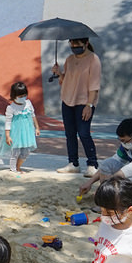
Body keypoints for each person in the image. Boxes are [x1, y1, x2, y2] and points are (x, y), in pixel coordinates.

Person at [52, 37, 101, 176]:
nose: (74, 47)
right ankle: (73, 163)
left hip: (84, 102)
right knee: (70, 134)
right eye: (72, 44)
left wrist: (89, 105)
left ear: (85, 43)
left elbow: (94, 85)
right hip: (67, 100)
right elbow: (66, 79)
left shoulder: (94, 60)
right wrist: (59, 73)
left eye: (77, 44)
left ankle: (92, 165)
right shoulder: (69, 59)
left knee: (84, 133)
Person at [0, 82, 40, 173]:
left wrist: (37, 127)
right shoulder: (11, 108)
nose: (23, 98)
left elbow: (33, 115)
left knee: (26, 152)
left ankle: (18, 166)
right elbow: (8, 122)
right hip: (16, 133)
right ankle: (13, 169)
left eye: (24, 95)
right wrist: (8, 136)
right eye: (20, 96)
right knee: (15, 152)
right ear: (14, 96)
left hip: (27, 132)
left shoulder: (28, 104)